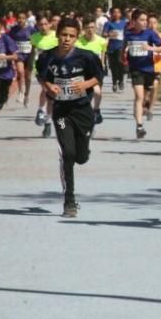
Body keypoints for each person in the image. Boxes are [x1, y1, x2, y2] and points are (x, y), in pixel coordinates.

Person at [40, 17, 103, 217]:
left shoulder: (88, 57)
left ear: (77, 38)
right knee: (68, 153)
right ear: (58, 34)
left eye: (71, 36)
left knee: (81, 157)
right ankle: (69, 201)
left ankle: (82, 151)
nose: (67, 39)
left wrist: (84, 85)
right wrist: (49, 87)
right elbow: (42, 77)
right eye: (64, 35)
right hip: (61, 111)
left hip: (83, 110)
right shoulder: (47, 57)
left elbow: (98, 77)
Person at [123, 9, 161, 139]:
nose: (145, 22)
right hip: (136, 70)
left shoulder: (150, 34)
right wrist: (123, 56)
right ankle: (139, 126)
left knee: (145, 96)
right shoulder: (128, 33)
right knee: (139, 97)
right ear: (134, 21)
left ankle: (144, 107)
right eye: (142, 20)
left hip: (149, 70)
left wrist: (150, 48)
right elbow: (124, 45)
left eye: (145, 20)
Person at [75, 16, 109, 124]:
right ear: (83, 29)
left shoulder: (102, 41)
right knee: (85, 98)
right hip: (82, 73)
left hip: (96, 73)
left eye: (92, 27)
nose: (90, 30)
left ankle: (96, 110)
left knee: (97, 92)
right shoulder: (77, 42)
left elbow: (103, 55)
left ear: (95, 28)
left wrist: (103, 66)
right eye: (87, 28)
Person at [31, 16, 60, 137]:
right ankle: (41, 110)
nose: (43, 26)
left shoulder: (56, 36)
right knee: (45, 89)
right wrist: (31, 67)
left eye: (45, 24)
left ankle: (47, 123)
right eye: (40, 24)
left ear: (49, 25)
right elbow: (32, 54)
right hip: (40, 68)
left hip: (54, 69)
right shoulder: (34, 37)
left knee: (52, 97)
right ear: (37, 26)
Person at [8, 12, 35, 106]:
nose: (21, 20)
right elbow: (9, 40)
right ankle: (21, 92)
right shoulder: (13, 30)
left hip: (29, 55)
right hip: (19, 55)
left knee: (28, 76)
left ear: (26, 19)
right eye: (19, 18)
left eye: (23, 18)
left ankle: (27, 94)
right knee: (20, 72)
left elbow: (36, 40)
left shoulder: (31, 29)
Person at [102, 7, 128, 92]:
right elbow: (104, 34)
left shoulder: (124, 23)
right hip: (111, 48)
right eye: (114, 12)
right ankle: (114, 82)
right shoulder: (108, 23)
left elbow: (128, 33)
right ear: (111, 14)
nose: (116, 14)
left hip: (121, 47)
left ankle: (120, 80)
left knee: (120, 64)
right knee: (113, 66)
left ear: (120, 14)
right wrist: (109, 34)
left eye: (118, 12)